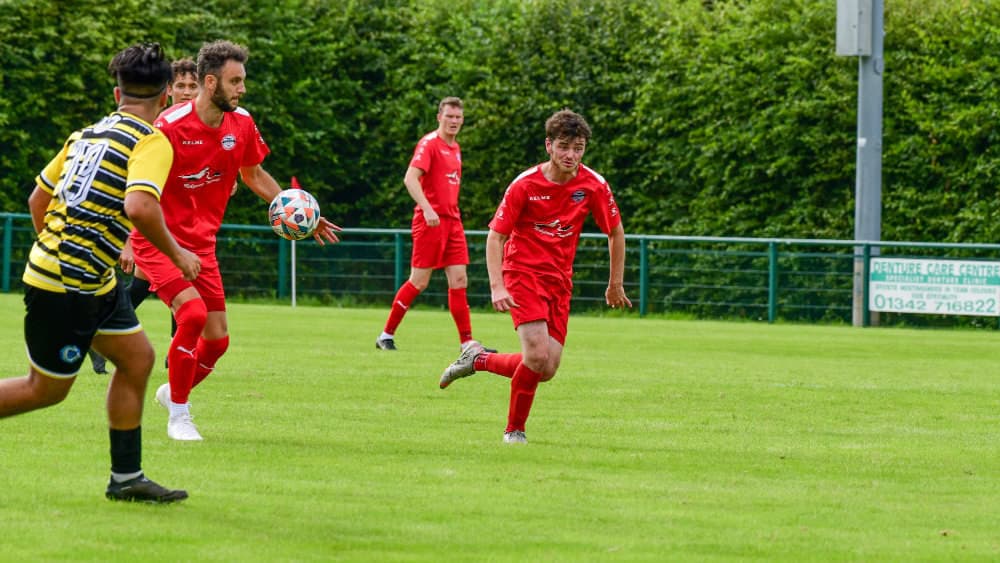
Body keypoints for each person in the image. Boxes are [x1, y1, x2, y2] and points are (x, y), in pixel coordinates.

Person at [0, 43, 201, 501]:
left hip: (91, 280)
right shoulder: (151, 140)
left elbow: (37, 199)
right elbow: (140, 206)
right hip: (68, 285)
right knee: (44, 390)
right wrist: (178, 255)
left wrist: (58, 249)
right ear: (166, 96)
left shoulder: (85, 135)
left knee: (137, 358)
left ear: (117, 94)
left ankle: (126, 480)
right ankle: (126, 479)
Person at [129, 39, 341, 441]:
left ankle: (173, 393)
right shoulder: (168, 128)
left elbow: (253, 174)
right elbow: (138, 190)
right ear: (211, 83)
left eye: (242, 80)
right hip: (160, 241)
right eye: (235, 81)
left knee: (218, 341)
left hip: (202, 245)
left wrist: (301, 214)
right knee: (192, 316)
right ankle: (180, 417)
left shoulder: (241, 124)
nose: (242, 89)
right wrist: (128, 238)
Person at [438, 109, 632, 444]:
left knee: (547, 368)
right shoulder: (525, 184)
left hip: (559, 281)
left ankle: (478, 359)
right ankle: (514, 430)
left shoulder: (593, 185)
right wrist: (497, 286)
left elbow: (616, 232)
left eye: (578, 148)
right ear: (548, 145)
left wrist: (615, 284)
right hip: (522, 273)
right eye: (564, 146)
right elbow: (495, 237)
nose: (571, 155)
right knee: (537, 355)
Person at [89, 57, 201, 376]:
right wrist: (128, 241)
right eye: (180, 85)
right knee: (182, 284)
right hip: (153, 226)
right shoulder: (157, 128)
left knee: (141, 287)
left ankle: (100, 335)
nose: (187, 91)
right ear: (168, 91)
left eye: (192, 86)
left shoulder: (203, 127)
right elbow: (132, 189)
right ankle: (177, 350)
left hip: (182, 224)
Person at [375, 97, 488, 355]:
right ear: (439, 117)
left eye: (458, 117)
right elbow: (410, 178)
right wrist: (427, 208)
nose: (454, 121)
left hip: (453, 221)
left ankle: (467, 343)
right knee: (419, 281)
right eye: (449, 116)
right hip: (430, 222)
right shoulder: (429, 144)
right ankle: (385, 335)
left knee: (459, 278)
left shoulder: (455, 148)